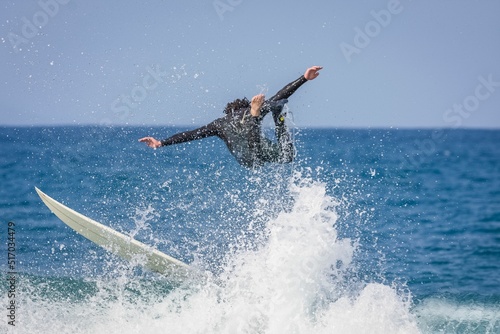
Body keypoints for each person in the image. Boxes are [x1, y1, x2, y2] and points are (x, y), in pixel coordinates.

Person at [139, 65, 323, 168]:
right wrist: (304, 78)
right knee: (286, 154)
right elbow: (280, 95)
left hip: (248, 158)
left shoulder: (219, 124)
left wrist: (161, 142)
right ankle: (277, 119)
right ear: (242, 108)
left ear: (229, 112)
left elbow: (191, 134)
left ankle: (258, 116)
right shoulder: (239, 116)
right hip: (258, 146)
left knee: (255, 142)